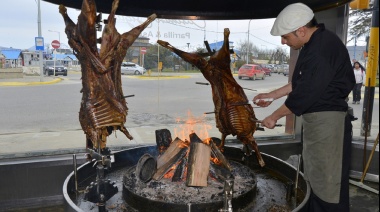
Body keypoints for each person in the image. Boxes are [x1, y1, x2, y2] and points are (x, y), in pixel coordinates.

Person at [252, 3, 355, 212]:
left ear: (301, 30)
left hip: (328, 125)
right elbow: (300, 83)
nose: (283, 41)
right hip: (319, 125)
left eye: (285, 37)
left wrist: (273, 117)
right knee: (316, 179)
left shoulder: (321, 49)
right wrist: (272, 95)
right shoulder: (313, 45)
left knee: (327, 185)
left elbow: (304, 94)